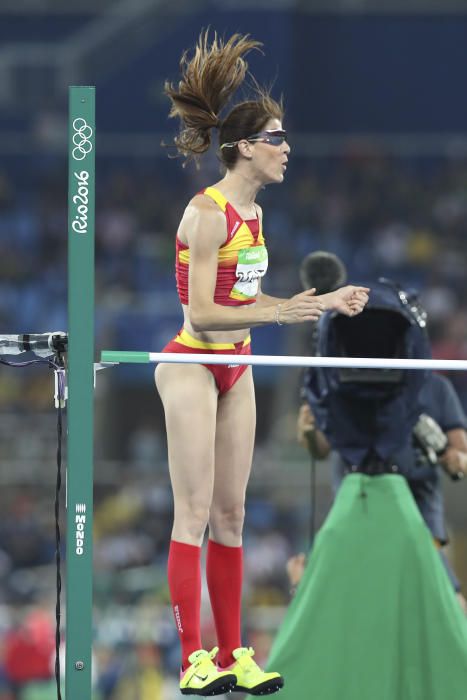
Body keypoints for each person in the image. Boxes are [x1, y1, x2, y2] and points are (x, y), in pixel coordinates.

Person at [154, 30, 369, 697]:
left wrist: (317, 301)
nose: (286, 150)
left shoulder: (254, 213)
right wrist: (280, 316)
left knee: (232, 517)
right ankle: (193, 660)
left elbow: (245, 298)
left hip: (237, 367)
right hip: (192, 363)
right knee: (191, 512)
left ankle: (231, 655)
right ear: (245, 146)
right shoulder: (206, 213)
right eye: (276, 139)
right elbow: (201, 315)